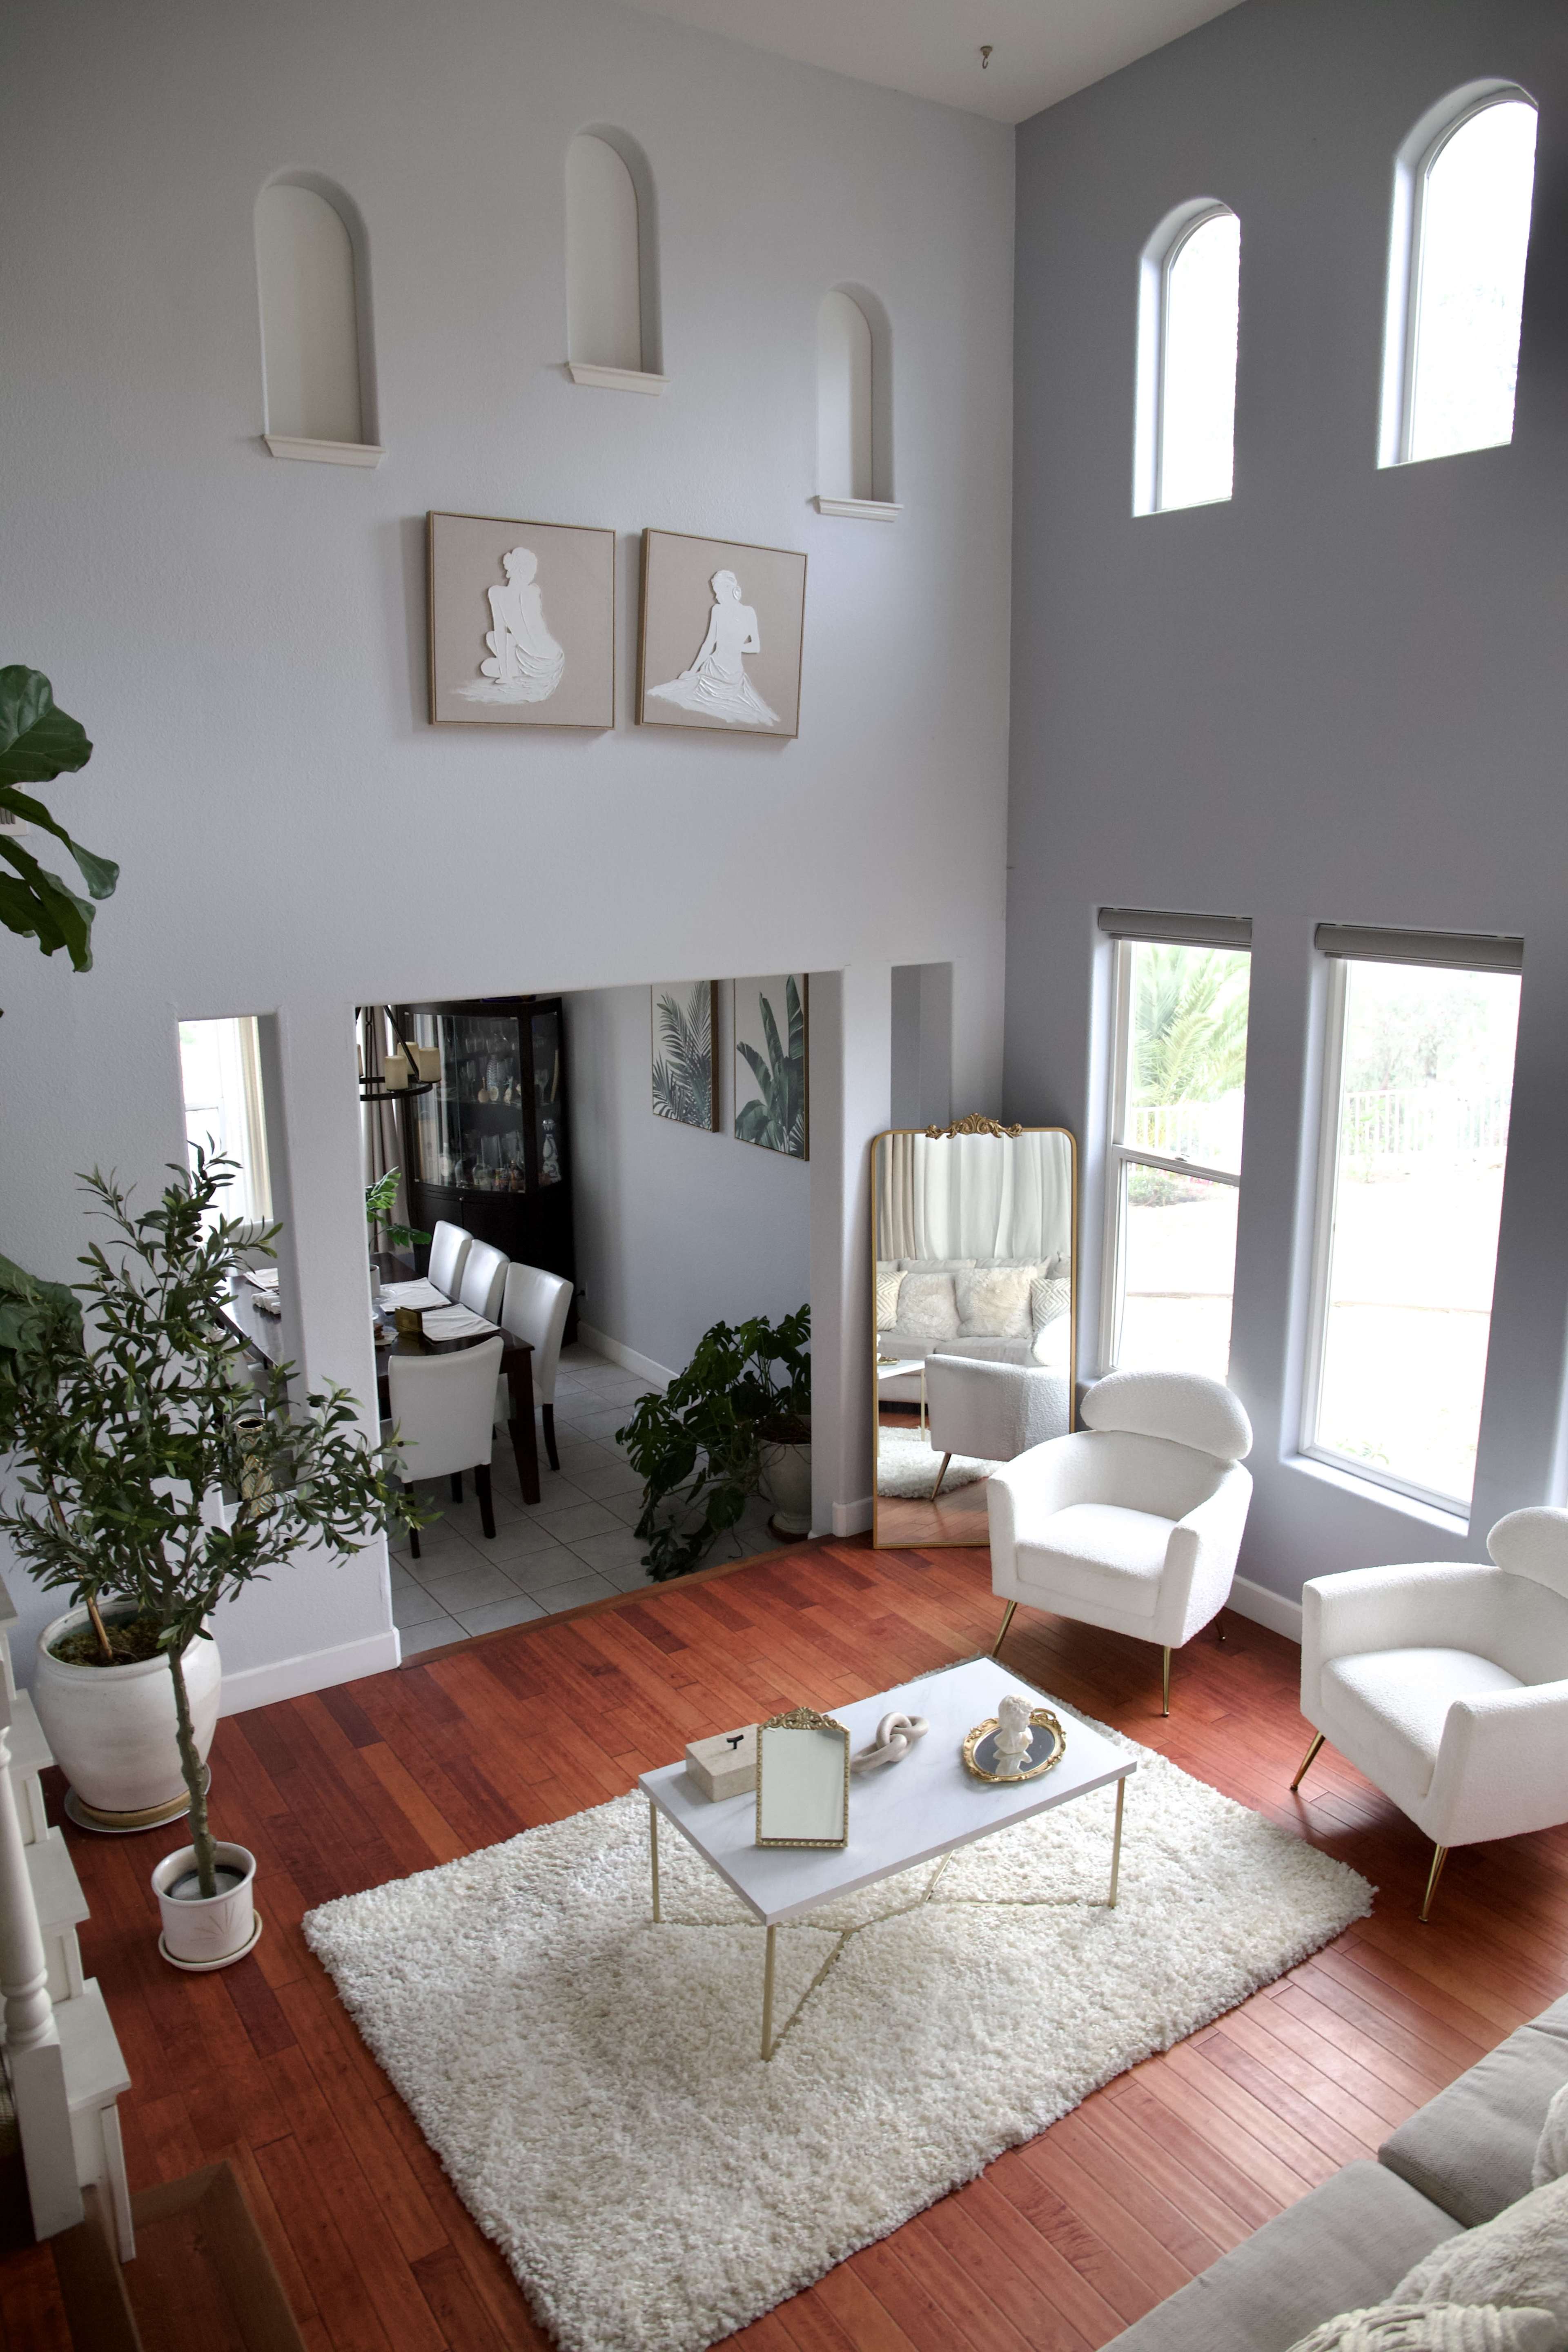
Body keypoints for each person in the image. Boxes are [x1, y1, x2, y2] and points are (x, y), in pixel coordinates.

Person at [648, 568, 779, 727]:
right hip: (712, 671)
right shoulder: (717, 610)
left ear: (727, 589)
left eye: (717, 592)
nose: (716, 597)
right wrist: (693, 671)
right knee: (672, 696)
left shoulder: (749, 612)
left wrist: (736, 646)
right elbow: (709, 644)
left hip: (735, 676)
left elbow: (756, 646)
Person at [463, 547, 564, 702]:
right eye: (532, 572)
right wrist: (505, 675)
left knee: (488, 663)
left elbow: (501, 633)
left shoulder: (497, 593)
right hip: (552, 658)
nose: (533, 576)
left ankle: (514, 670)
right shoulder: (533, 591)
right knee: (490, 641)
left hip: (540, 658)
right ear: (523, 571)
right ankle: (518, 669)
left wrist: (505, 675)